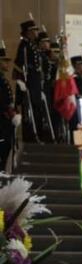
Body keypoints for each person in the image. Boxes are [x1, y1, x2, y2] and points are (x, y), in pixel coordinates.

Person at [0, 42, 17, 171]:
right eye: (4, 61)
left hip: (6, 120)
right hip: (1, 119)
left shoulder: (3, 79)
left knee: (7, 147)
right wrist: (7, 111)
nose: (7, 64)